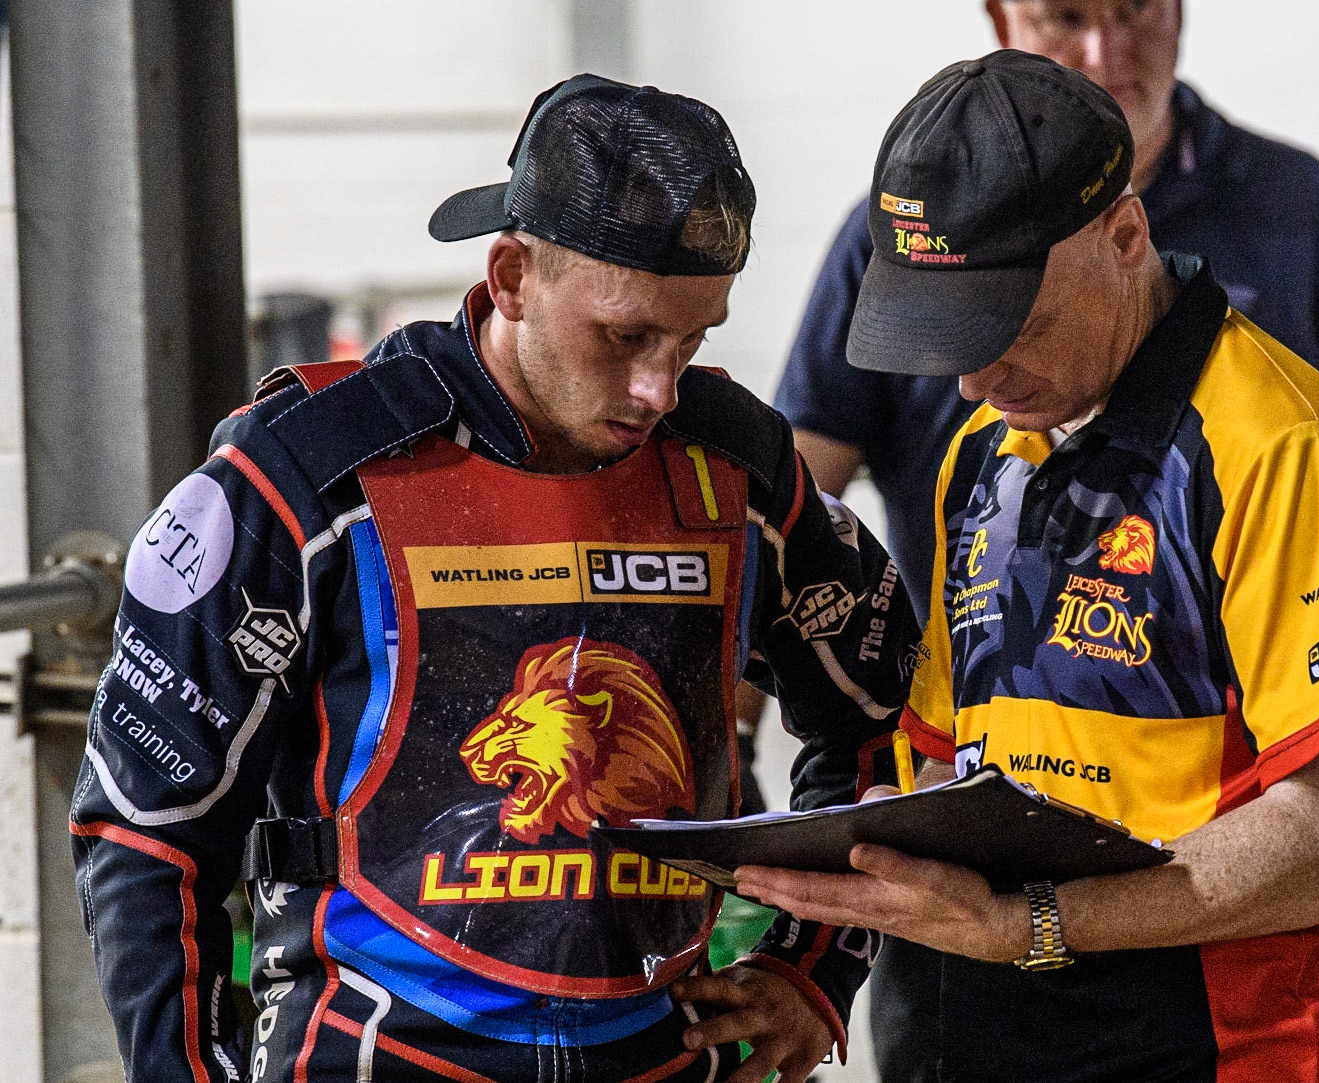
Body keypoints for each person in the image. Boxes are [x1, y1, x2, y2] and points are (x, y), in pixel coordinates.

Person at [69, 74, 920, 1083]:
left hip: (664, 1049)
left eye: (692, 339)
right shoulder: (304, 473)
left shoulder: (736, 465)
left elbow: (885, 716)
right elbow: (141, 825)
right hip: (376, 1051)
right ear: (511, 276)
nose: (658, 387)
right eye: (624, 337)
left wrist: (815, 971)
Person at [738, 51, 1319, 1082]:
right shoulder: (986, 448)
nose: (970, 379)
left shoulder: (1276, 446)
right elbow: (933, 765)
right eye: (944, 336)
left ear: (1124, 237)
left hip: (1227, 1053)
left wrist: (1030, 924)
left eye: (1008, 326)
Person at [775, 0, 1319, 620]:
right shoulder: (906, 235)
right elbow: (791, 507)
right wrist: (740, 733)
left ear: (1127, 238)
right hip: (968, 716)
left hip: (1229, 735)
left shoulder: (1296, 206)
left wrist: (1277, 622)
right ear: (998, 20)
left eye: (1134, 11)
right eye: (1064, 19)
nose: (1104, 54)